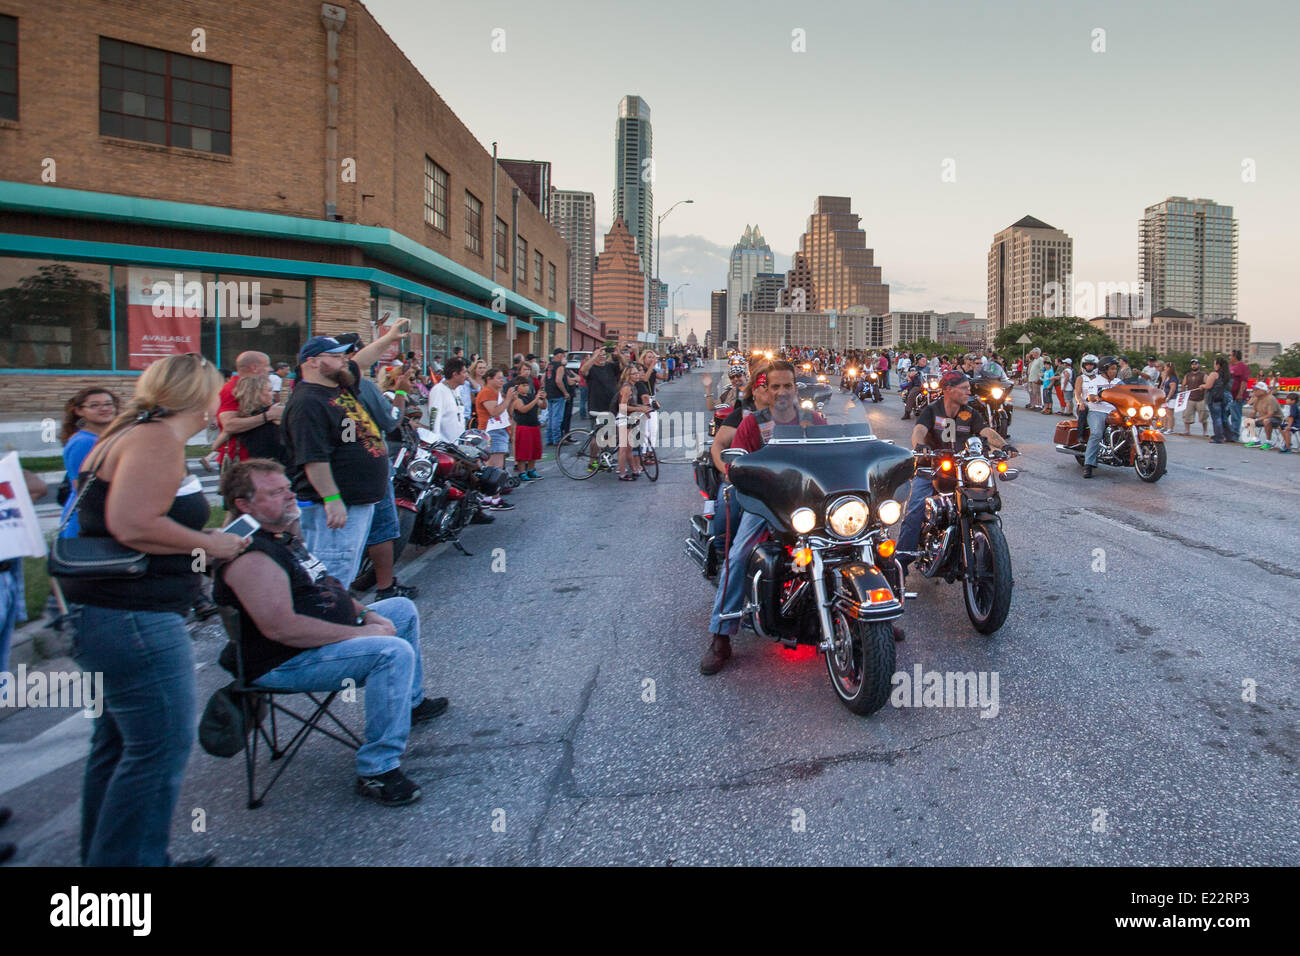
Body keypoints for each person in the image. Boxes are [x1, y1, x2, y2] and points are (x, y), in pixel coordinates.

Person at [58, 352, 243, 867]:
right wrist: (209, 542)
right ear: (198, 395)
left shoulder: (128, 432)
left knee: (118, 745)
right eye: (216, 390)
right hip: (134, 618)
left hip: (109, 613)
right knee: (157, 750)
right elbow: (133, 524)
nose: (218, 401)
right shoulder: (156, 438)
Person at [214, 458, 447, 807]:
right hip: (285, 660)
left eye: (287, 487)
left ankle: (409, 704)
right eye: (275, 492)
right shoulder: (250, 553)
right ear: (244, 506)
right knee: (390, 652)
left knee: (400, 609)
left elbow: (326, 584)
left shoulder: (283, 533)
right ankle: (377, 769)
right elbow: (283, 628)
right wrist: (362, 635)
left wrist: (367, 613)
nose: (290, 495)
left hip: (317, 638)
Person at [700, 361, 827, 675]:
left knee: (860, 536)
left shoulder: (814, 419)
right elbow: (737, 464)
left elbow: (834, 453)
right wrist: (744, 477)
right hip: (766, 503)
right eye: (776, 387)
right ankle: (721, 634)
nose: (782, 392)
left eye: (788, 386)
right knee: (740, 554)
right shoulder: (753, 424)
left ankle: (872, 615)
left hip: (810, 502)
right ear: (766, 391)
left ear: (796, 388)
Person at [281, 334, 392, 588]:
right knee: (332, 572)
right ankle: (330, 620)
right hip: (334, 507)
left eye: (344, 356)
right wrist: (332, 499)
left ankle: (340, 617)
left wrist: (391, 336)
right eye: (336, 357)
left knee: (344, 568)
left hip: (356, 501)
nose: (344, 361)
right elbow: (313, 458)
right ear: (311, 362)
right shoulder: (308, 401)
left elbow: (360, 361)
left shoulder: (338, 386)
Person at [897, 370, 1017, 562]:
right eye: (964, 388)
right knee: (916, 510)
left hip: (962, 469)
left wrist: (1004, 445)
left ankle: (989, 548)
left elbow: (986, 430)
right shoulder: (932, 410)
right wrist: (920, 445)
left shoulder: (969, 413)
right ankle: (901, 563)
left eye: (969, 388)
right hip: (932, 468)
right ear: (948, 390)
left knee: (985, 501)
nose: (969, 392)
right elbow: (919, 430)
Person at [58, 387, 120, 539]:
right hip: (86, 516)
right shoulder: (84, 442)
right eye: (94, 405)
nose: (104, 409)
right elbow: (81, 486)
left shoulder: (103, 438)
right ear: (79, 411)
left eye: (108, 404)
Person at [208, 374, 286, 465]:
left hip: (252, 466)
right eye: (269, 390)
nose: (272, 393)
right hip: (274, 466)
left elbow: (215, 446)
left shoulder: (242, 417)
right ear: (256, 394)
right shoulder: (272, 414)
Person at [1081, 356, 1121, 476]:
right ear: (1104, 370)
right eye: (1112, 369)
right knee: (1097, 433)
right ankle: (1088, 464)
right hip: (1098, 411)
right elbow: (1090, 396)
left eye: (1115, 369)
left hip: (1116, 412)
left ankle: (1154, 463)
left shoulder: (1118, 382)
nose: (1115, 371)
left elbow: (1129, 392)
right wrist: (1095, 397)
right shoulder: (1095, 382)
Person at [510, 374, 546, 481]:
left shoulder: (531, 396)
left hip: (534, 425)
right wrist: (535, 400)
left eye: (527, 385)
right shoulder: (517, 399)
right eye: (523, 385)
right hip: (523, 426)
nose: (526, 387)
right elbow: (523, 409)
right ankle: (521, 472)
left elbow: (543, 406)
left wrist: (543, 399)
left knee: (534, 449)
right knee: (523, 451)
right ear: (518, 387)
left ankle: (531, 470)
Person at [430, 357, 469, 444]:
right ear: (455, 374)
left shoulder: (456, 390)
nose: (467, 376)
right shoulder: (439, 390)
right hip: (444, 446)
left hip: (457, 445)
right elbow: (434, 418)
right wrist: (436, 443)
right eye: (464, 372)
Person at [579, 347, 622, 424]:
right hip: (597, 408)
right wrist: (594, 356)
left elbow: (625, 365)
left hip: (611, 406)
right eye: (599, 355)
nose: (602, 357)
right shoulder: (591, 368)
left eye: (604, 355)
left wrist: (619, 354)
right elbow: (583, 370)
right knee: (598, 433)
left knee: (612, 433)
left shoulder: (610, 366)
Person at [1244, 382, 1284, 449]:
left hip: (1276, 419)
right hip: (1263, 418)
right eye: (1254, 389)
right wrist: (1249, 420)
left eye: (1256, 390)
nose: (1254, 391)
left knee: (1266, 421)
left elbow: (1271, 414)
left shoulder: (1270, 399)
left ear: (1262, 391)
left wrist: (1256, 420)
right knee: (1247, 420)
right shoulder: (1257, 399)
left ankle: (1269, 442)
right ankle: (1256, 440)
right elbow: (1254, 411)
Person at [544, 348, 569, 446]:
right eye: (563, 355)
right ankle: (557, 439)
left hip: (550, 393)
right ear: (559, 355)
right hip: (558, 394)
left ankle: (549, 438)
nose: (564, 357)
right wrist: (565, 392)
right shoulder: (559, 367)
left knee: (550, 417)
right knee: (557, 418)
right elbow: (558, 380)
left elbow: (544, 379)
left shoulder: (549, 366)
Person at [1227, 349, 1251, 443]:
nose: (1229, 357)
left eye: (1230, 355)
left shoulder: (1242, 367)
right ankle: (1228, 432)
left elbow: (1244, 381)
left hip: (1237, 396)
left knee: (1235, 415)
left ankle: (1235, 434)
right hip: (1229, 395)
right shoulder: (1230, 366)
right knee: (1224, 414)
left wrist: (1240, 394)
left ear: (1235, 356)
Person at [1204, 357, 1229, 444]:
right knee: (1221, 418)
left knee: (1216, 418)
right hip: (1222, 398)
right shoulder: (1225, 374)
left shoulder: (1214, 374)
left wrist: (1202, 386)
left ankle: (1218, 437)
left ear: (1218, 365)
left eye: (1214, 364)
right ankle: (1225, 435)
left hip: (1213, 398)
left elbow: (1208, 386)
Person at [1181, 358, 1209, 436]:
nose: (1194, 365)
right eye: (1193, 364)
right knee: (1187, 415)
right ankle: (1187, 431)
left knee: (1203, 416)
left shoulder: (1203, 375)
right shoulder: (1188, 375)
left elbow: (1208, 384)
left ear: (1198, 365)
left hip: (1201, 399)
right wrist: (1183, 394)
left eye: (1195, 364)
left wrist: (1203, 386)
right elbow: (1183, 384)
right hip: (1190, 399)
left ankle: (1205, 432)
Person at [1159, 362, 1179, 432]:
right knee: (1164, 413)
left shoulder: (1173, 378)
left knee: (1169, 413)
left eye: (1166, 367)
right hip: (1165, 397)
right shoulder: (1167, 377)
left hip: (1171, 398)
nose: (1164, 368)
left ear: (1169, 368)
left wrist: (1168, 397)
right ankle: (1164, 426)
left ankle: (1170, 428)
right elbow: (1162, 386)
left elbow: (1172, 389)